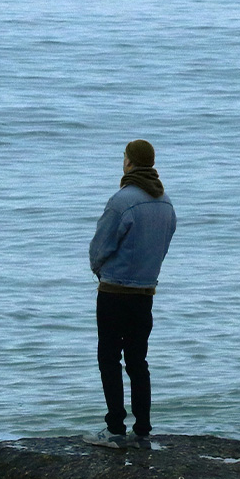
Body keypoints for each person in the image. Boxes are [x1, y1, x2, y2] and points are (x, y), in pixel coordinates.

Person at [85, 139, 176, 450]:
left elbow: (100, 247)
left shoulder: (122, 201)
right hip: (145, 293)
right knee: (138, 360)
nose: (122, 162)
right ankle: (143, 429)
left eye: (124, 158)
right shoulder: (165, 203)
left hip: (114, 291)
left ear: (130, 163)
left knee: (109, 358)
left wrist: (100, 271)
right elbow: (163, 246)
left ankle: (114, 428)